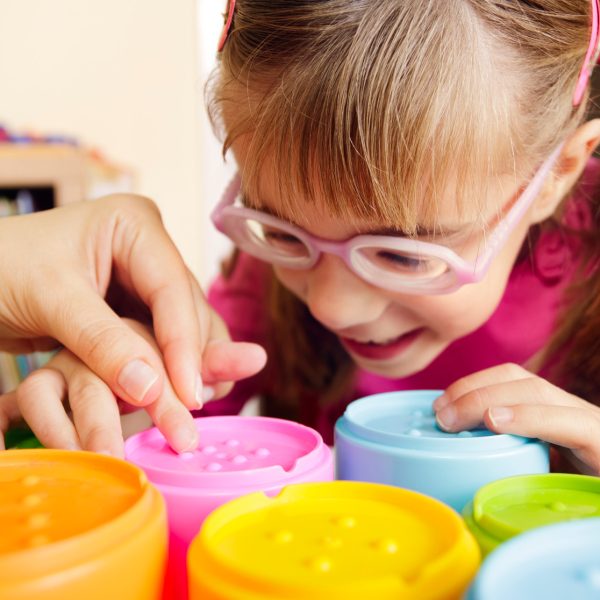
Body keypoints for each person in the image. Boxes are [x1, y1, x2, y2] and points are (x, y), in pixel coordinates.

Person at [7, 0, 600, 475]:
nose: (328, 305)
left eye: (402, 254)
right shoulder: (262, 276)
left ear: (559, 172)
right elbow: (179, 413)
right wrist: (129, 389)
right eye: (282, 230)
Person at [0, 195, 266, 455]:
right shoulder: (251, 287)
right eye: (285, 236)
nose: (311, 303)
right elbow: (189, 423)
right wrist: (123, 389)